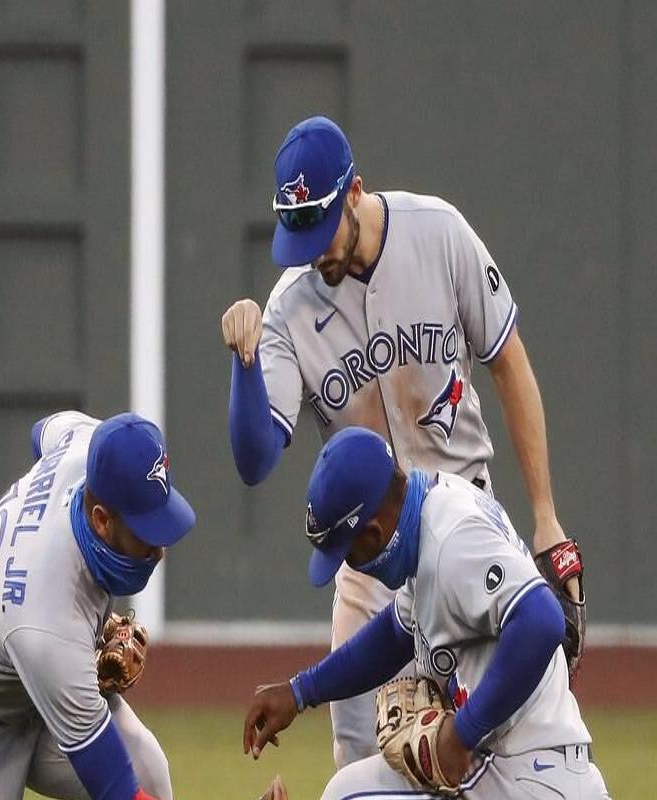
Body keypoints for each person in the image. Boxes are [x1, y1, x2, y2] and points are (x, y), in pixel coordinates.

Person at [221, 115, 583, 767]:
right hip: (367, 560)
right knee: (361, 759)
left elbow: (509, 362)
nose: (309, 251)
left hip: (464, 538)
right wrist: (245, 367)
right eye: (295, 233)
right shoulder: (287, 310)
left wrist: (546, 519)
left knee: (488, 747)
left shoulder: (437, 232)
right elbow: (254, 460)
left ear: (354, 191)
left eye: (319, 228)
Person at [243, 427, 609, 800]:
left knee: (348, 796)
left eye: (347, 552)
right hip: (514, 768)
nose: (349, 565)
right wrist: (301, 691)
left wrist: (463, 732)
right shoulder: (429, 514)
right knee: (350, 787)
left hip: (527, 774)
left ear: (373, 531)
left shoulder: (452, 538)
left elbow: (542, 620)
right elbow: (394, 635)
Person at [0, 410, 196, 800]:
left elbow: (43, 430)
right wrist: (72, 643)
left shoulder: (84, 445)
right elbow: (116, 790)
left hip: (29, 688)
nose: (159, 549)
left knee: (149, 768)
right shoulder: (47, 620)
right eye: (145, 532)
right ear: (102, 520)